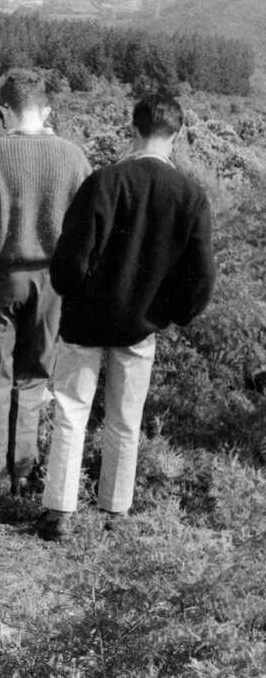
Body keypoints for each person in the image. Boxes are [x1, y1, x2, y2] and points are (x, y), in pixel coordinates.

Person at [38, 93, 216, 541]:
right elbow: (203, 275)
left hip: (85, 322)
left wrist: (72, 292)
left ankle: (60, 512)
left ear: (132, 129)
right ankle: (115, 511)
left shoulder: (104, 181)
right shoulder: (192, 196)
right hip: (141, 326)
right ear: (177, 136)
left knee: (71, 412)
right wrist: (172, 314)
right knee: (125, 421)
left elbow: (69, 261)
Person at [0, 68, 91, 495]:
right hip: (53, 282)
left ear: (3, 109)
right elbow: (84, 230)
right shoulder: (74, 156)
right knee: (34, 376)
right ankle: (23, 471)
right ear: (46, 109)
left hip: (1, 279)